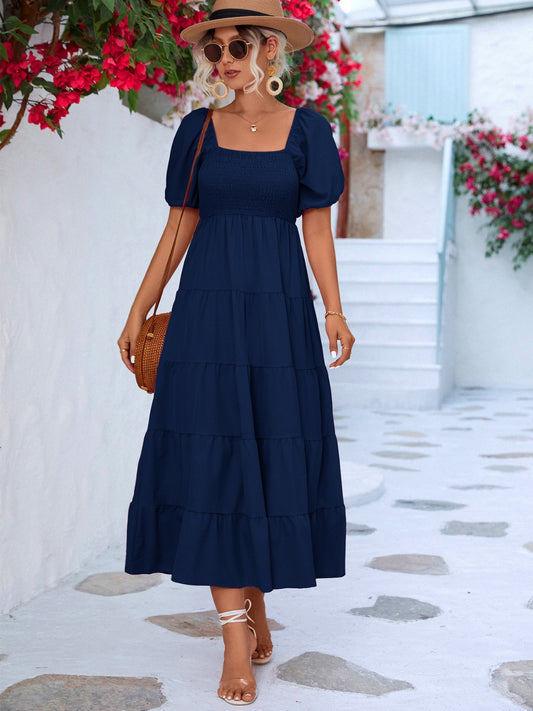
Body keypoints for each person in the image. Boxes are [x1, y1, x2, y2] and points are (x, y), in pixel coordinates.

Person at [117, 0, 356, 705]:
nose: (223, 56)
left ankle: (254, 598)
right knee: (212, 456)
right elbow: (177, 226)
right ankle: (232, 636)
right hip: (206, 318)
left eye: (238, 44)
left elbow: (317, 227)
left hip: (279, 318)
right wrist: (138, 306)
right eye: (214, 46)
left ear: (270, 52)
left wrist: (334, 309)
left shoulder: (308, 130)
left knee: (268, 448)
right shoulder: (196, 131)